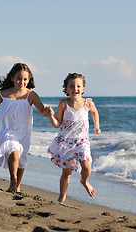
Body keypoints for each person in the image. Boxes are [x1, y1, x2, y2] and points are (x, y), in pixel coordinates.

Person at [0, 63, 49, 192]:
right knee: (14, 151)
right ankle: (13, 180)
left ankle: (16, 186)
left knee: (21, 158)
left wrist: (48, 112)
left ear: (29, 79)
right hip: (6, 130)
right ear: (12, 78)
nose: (22, 82)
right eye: (19, 79)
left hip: (24, 132)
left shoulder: (31, 95)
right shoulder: (4, 94)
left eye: (25, 79)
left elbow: (42, 111)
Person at [47, 73, 101, 204]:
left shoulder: (88, 103)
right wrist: (50, 116)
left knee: (87, 165)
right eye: (71, 86)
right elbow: (57, 124)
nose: (75, 89)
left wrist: (96, 126)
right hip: (66, 143)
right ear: (66, 89)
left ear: (83, 89)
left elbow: (94, 112)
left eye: (78, 86)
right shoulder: (63, 104)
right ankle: (61, 197)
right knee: (66, 174)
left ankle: (84, 180)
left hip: (82, 142)